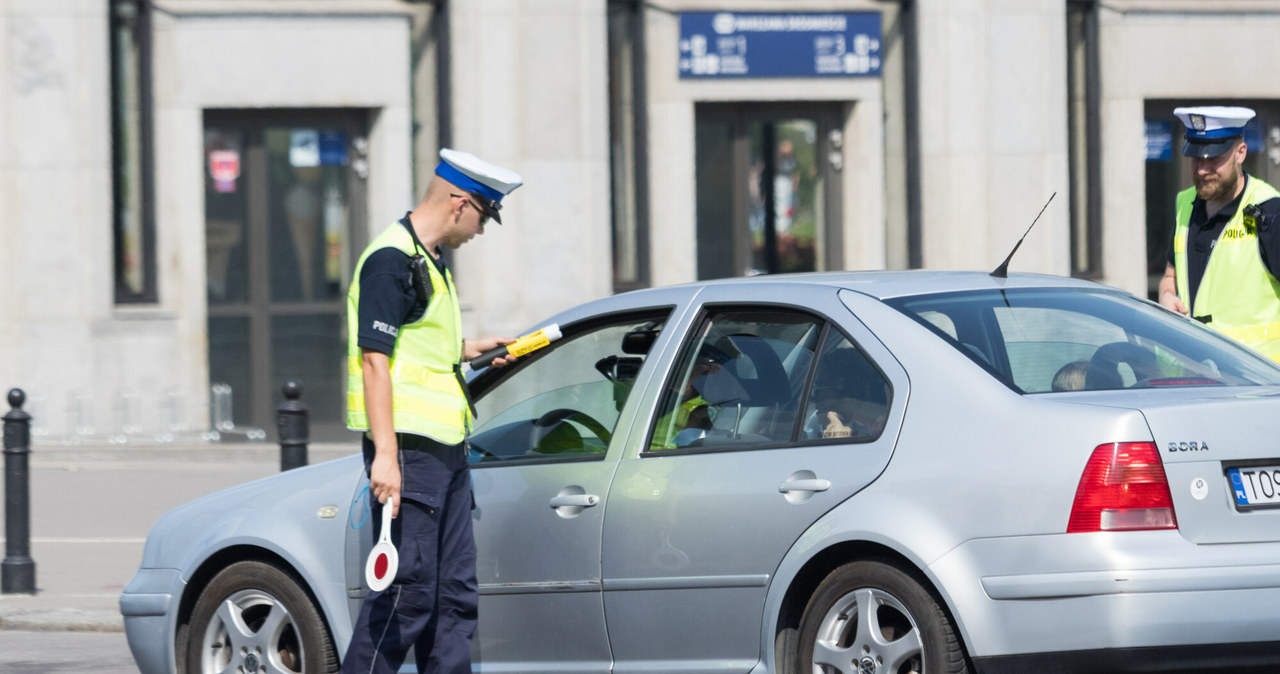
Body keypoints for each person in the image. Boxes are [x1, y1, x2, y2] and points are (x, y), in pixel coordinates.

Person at [342, 148, 522, 673]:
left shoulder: (429, 262)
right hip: (411, 455)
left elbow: (413, 347)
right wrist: (386, 458)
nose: (483, 230)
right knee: (406, 599)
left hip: (444, 453)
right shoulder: (389, 260)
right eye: (484, 216)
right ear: (459, 202)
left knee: (453, 602)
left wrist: (470, 349)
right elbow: (375, 362)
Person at [1158, 106, 1280, 362]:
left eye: (1213, 158)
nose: (1202, 169)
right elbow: (1171, 275)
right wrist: (1167, 295)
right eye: (1196, 158)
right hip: (1191, 377)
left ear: (1240, 153)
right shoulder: (1184, 204)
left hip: (1256, 386)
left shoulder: (1270, 210)